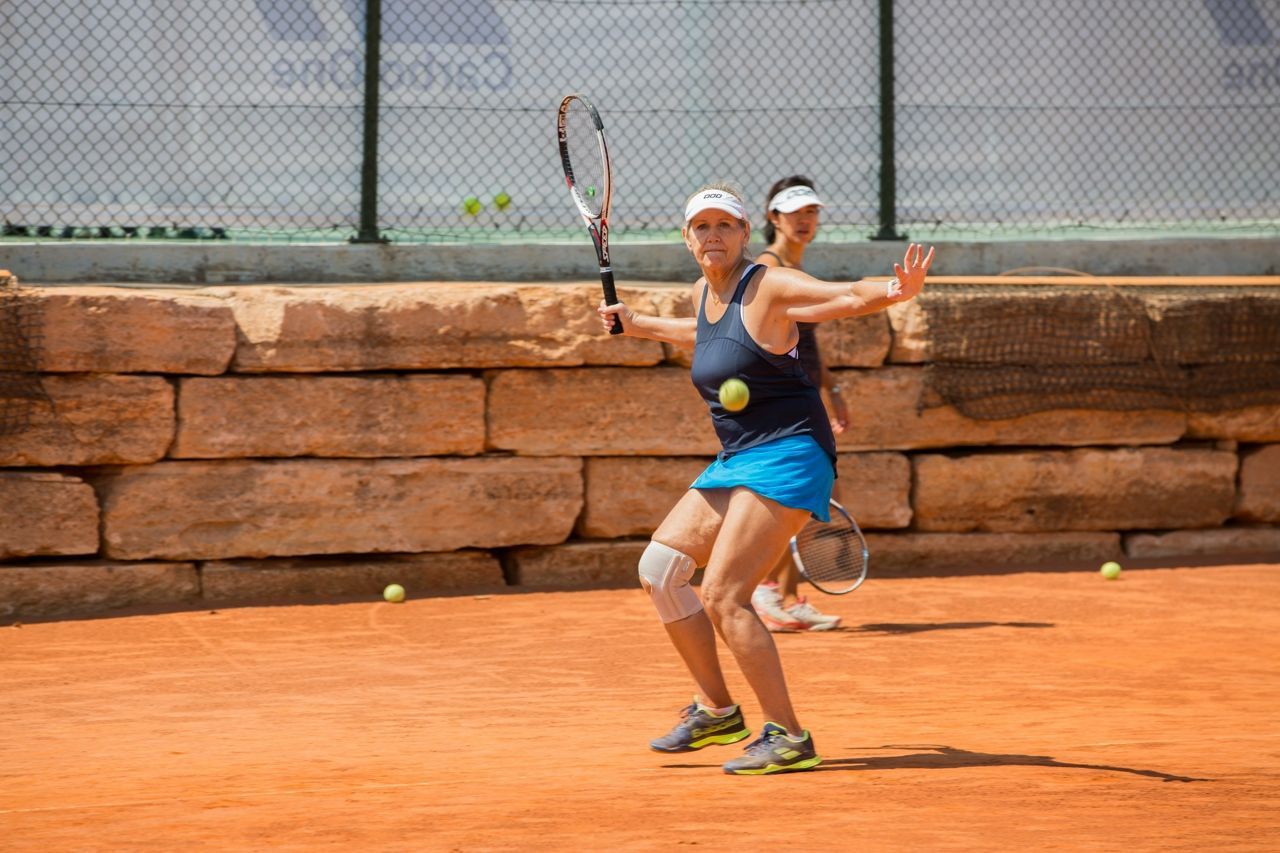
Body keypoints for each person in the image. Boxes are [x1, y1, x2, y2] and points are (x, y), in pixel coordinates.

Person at [595, 183, 933, 775]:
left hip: (791, 452)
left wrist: (892, 290)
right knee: (660, 570)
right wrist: (638, 322)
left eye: (725, 225)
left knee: (724, 595)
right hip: (738, 455)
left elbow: (839, 298)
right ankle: (719, 711)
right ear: (687, 237)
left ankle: (790, 735)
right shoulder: (705, 291)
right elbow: (702, 336)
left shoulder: (769, 285)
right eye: (702, 227)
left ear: (745, 233)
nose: (713, 236)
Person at [751, 176, 849, 633]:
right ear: (774, 218)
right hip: (781, 404)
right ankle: (765, 588)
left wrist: (833, 392)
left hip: (805, 399)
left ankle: (786, 597)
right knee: (790, 502)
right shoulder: (768, 270)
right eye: (795, 213)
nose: (805, 221)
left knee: (808, 502)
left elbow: (808, 342)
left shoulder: (798, 269)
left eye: (811, 212)